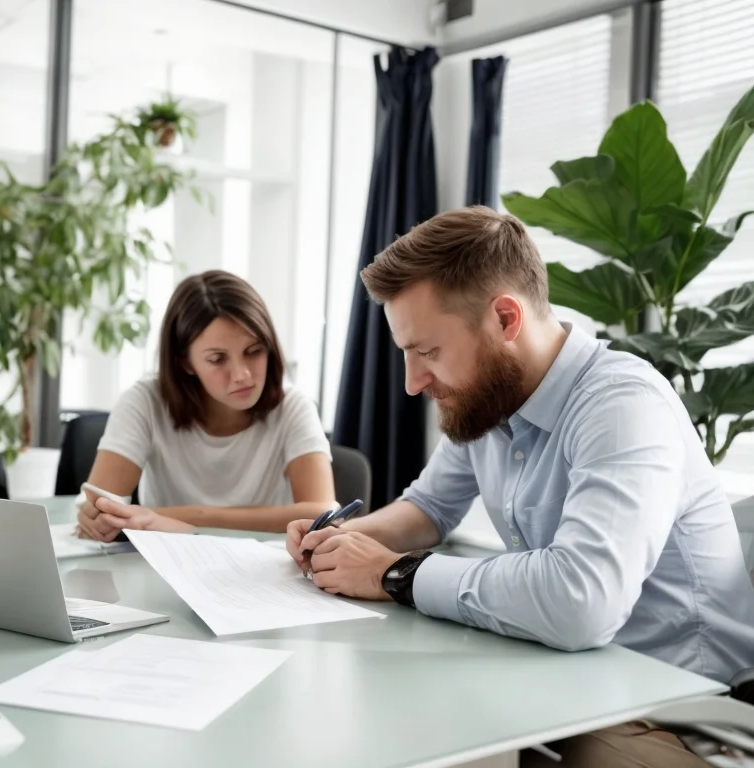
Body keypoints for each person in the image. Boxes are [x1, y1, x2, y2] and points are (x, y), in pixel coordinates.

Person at [286, 207, 754, 767]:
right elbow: (427, 508)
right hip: (572, 678)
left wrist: (392, 572)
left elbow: (581, 600)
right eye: (406, 354)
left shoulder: (623, 405)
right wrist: (342, 541)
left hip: (682, 711)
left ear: (506, 318)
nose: (413, 383)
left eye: (428, 352)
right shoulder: (491, 395)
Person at [77, 270, 335, 541]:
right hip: (166, 563)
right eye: (217, 359)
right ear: (185, 362)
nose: (242, 374)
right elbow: (101, 507)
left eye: (254, 351)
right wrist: (97, 519)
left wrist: (179, 518)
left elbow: (322, 513)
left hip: (258, 569)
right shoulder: (145, 401)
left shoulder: (293, 406)